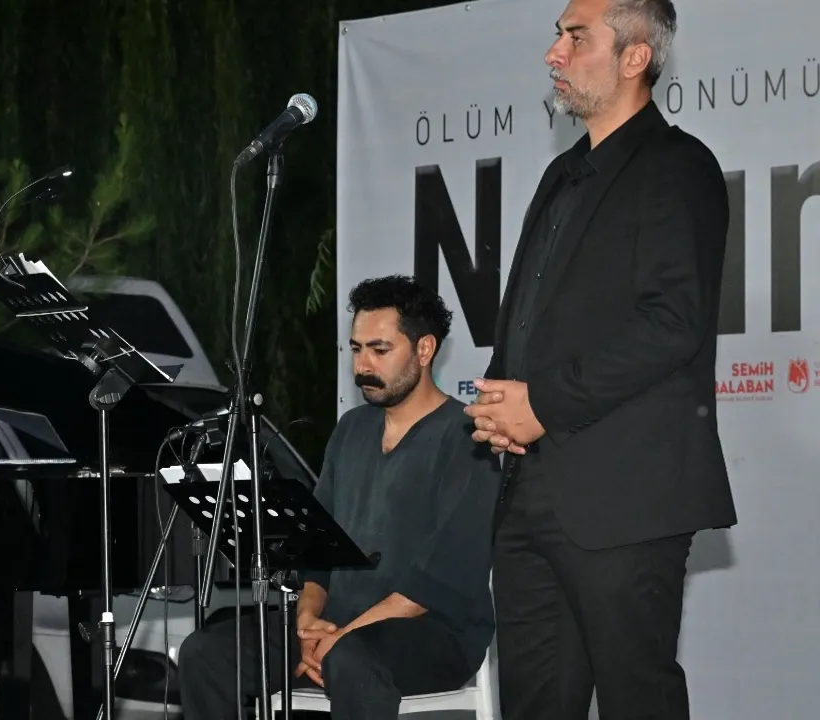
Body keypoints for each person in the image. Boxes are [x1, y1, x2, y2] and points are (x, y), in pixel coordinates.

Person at [463, 1, 737, 718]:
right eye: (557, 35)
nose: (553, 53)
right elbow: (531, 318)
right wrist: (502, 408)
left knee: (635, 700)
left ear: (635, 57)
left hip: (627, 497)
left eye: (576, 37)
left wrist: (541, 404)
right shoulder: (562, 175)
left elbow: (672, 324)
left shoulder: (679, 166)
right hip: (528, 492)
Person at [178, 275, 500, 719]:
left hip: (432, 633)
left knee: (351, 659)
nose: (362, 365)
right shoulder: (351, 429)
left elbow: (436, 582)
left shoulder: (468, 438)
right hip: (338, 625)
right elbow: (317, 550)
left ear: (424, 349)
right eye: (356, 349)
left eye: (379, 350)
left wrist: (340, 638)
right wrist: (307, 621)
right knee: (206, 653)